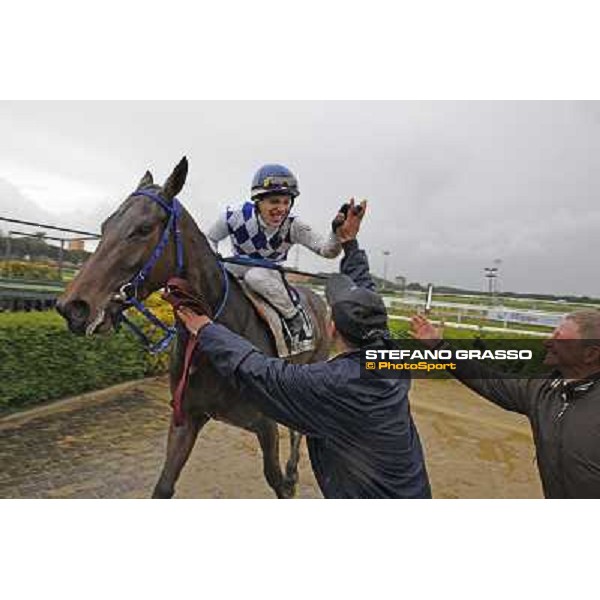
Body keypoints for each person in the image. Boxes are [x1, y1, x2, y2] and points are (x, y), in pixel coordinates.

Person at [179, 200, 431, 499]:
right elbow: (365, 287)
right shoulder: (392, 359)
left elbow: (258, 370)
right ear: (379, 326)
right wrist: (350, 244)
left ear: (331, 328)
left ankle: (292, 326)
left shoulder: (327, 383)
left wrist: (206, 330)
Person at [410, 311, 600, 498]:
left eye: (559, 339)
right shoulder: (543, 391)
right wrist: (438, 347)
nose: (547, 342)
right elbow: (488, 381)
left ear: (590, 354)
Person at [207, 164, 342, 351]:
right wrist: (215, 258)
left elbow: (328, 251)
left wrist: (337, 233)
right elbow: (210, 238)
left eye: (286, 202)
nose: (281, 209)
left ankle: (295, 318)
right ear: (258, 201)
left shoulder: (295, 225)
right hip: (237, 265)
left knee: (256, 276)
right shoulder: (233, 216)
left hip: (269, 274)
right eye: (274, 202)